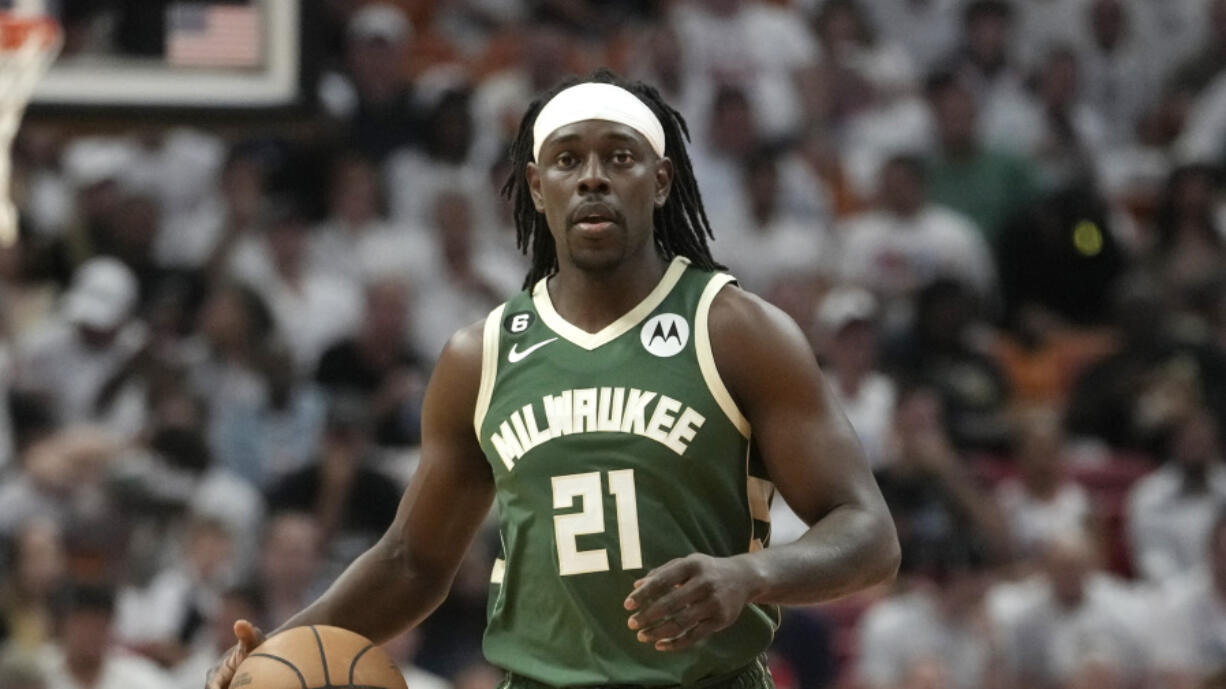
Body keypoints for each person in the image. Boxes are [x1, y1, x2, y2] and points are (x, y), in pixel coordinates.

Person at [206, 69, 899, 689]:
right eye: (568, 159)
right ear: (537, 187)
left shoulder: (736, 330)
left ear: (660, 180)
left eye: (618, 157)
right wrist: (280, 645)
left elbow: (870, 534)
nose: (592, 176)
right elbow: (412, 561)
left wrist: (752, 575)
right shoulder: (481, 356)